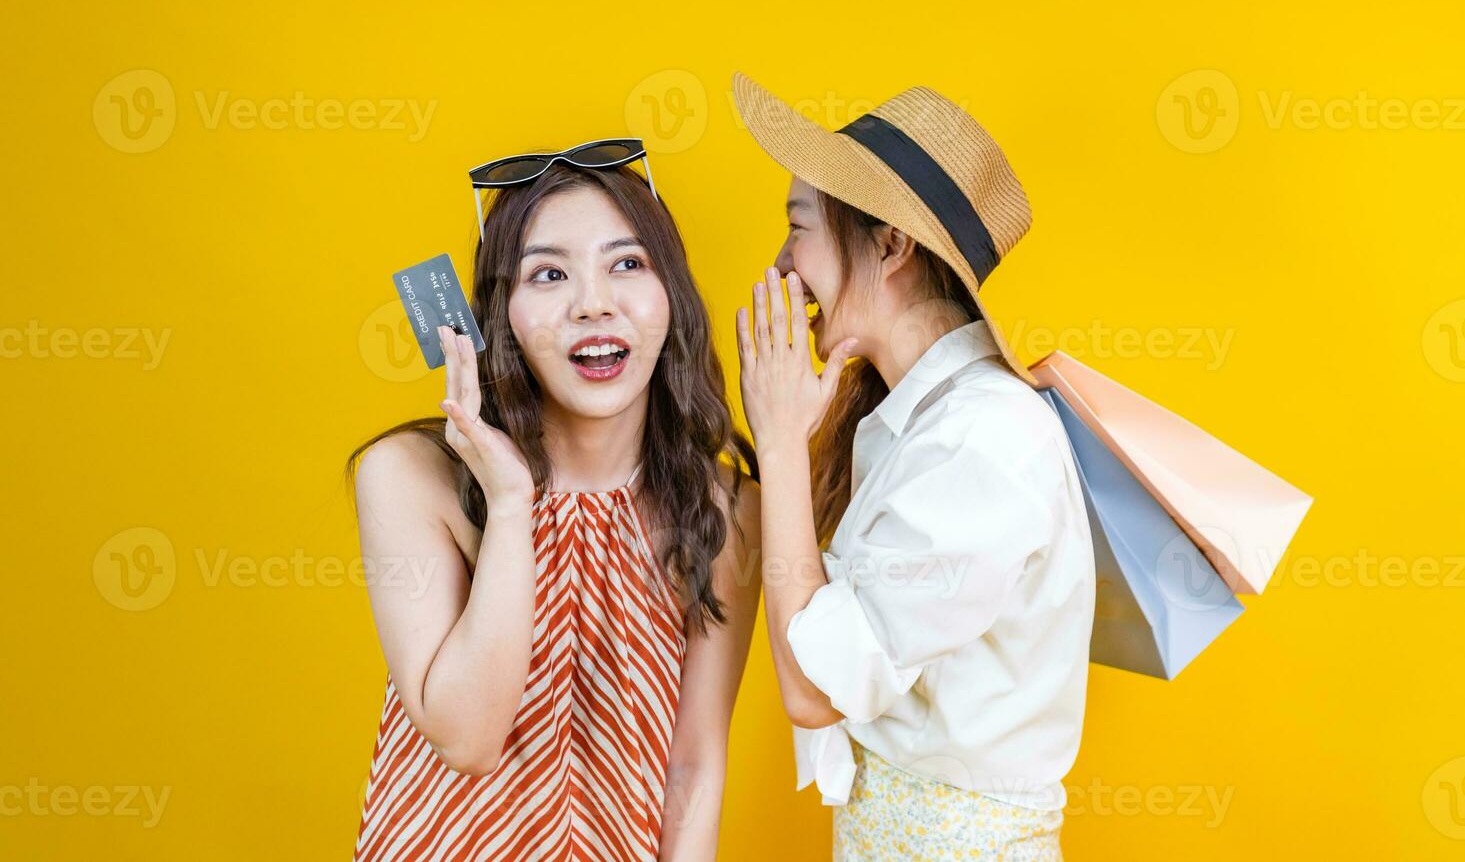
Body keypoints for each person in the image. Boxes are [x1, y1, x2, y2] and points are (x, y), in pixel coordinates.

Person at [347, 149, 758, 861]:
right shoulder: (410, 477)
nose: (593, 302)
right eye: (549, 274)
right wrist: (510, 504)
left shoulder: (720, 505)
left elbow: (693, 766)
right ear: (499, 316)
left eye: (627, 264)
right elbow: (467, 738)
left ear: (673, 296)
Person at [728, 74, 1096, 860]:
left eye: (798, 229)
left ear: (889, 244)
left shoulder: (981, 441)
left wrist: (782, 438)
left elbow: (814, 690)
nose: (781, 265)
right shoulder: (921, 422)